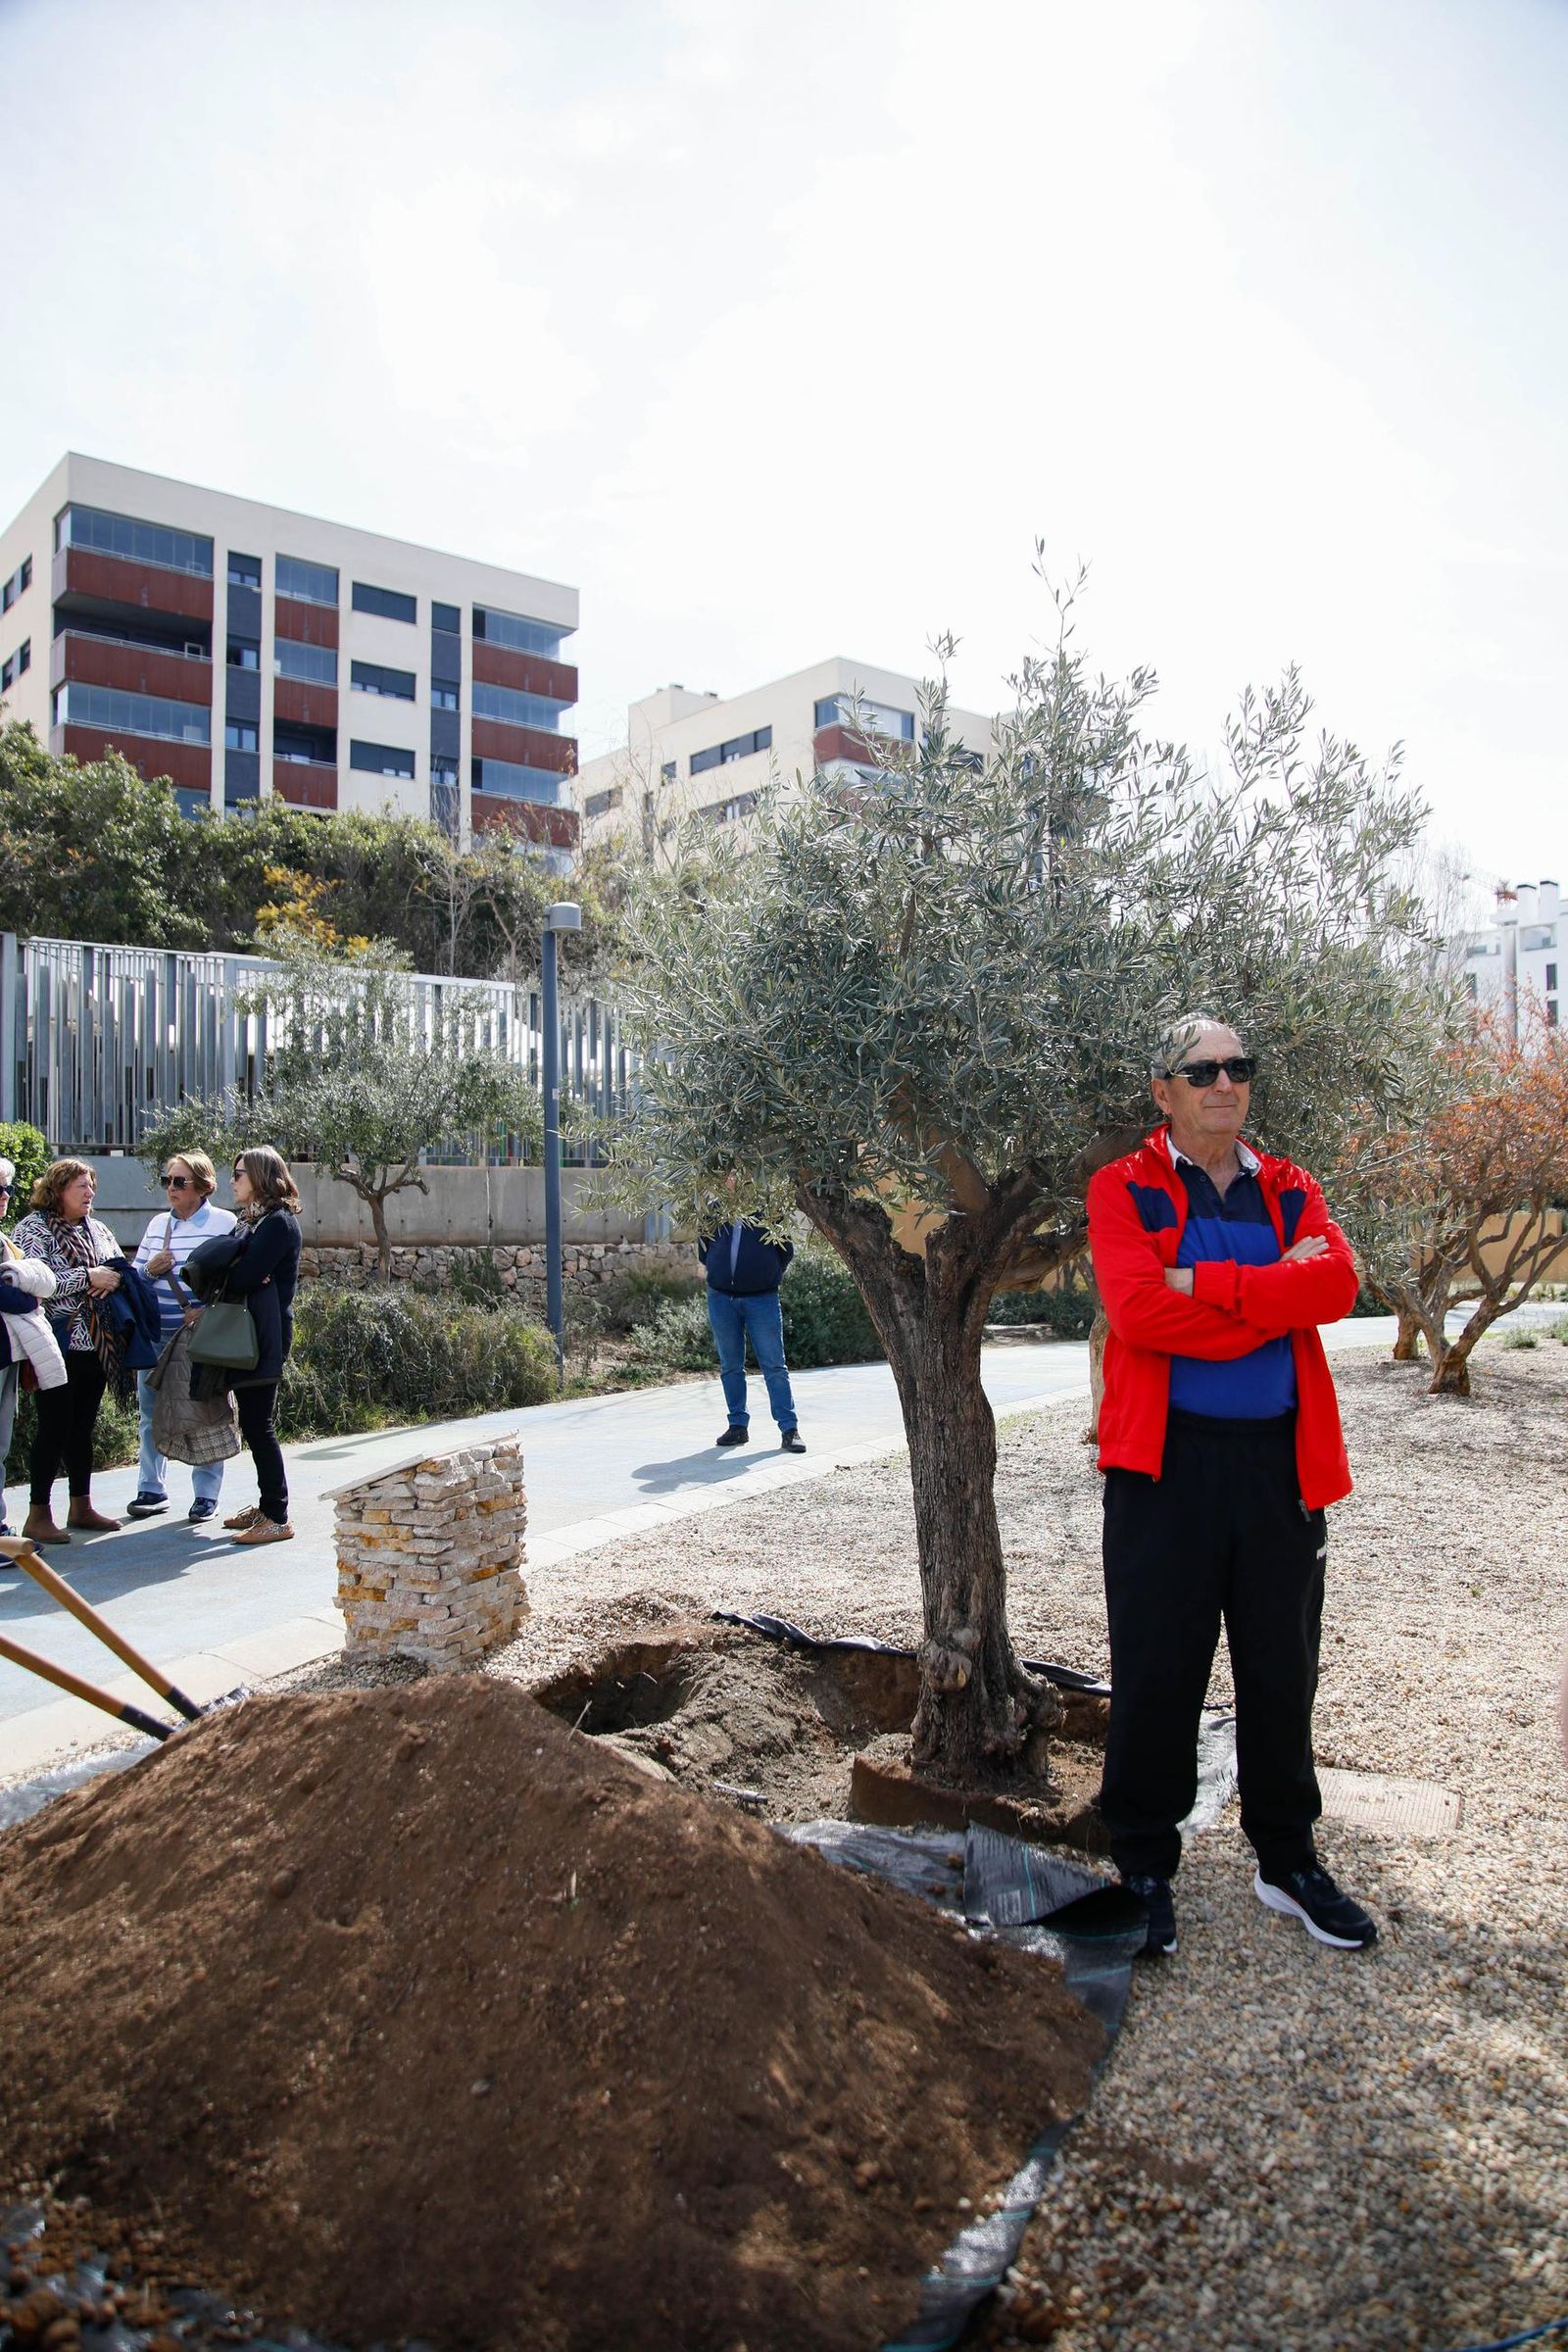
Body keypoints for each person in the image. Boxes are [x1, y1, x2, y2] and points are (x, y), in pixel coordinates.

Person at [1086, 1010, 1377, 1959]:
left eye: (1237, 1067)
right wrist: (1266, 1295)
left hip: (1278, 1467)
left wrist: (1202, 1283)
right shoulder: (1121, 1187)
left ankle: (1285, 1858)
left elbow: (1334, 1289)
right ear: (1161, 1091)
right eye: (1200, 1069)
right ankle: (1141, 1864)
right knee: (1158, 1669)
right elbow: (1136, 1313)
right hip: (1163, 1468)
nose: (1223, 1083)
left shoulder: (1290, 1187)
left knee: (1280, 1667)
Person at [13, 1160, 126, 1543]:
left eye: (91, 1186)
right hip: (53, 1343)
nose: (89, 1193)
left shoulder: (98, 1229)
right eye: (81, 1186)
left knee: (82, 1427)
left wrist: (112, 1279)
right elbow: (32, 1282)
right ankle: (38, 1514)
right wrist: (87, 1278)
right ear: (58, 1189)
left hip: (95, 1343)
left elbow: (118, 1268)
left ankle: (81, 1505)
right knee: (53, 1426)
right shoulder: (33, 1229)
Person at [125, 1152, 237, 1524]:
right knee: (150, 1410)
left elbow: (237, 1282)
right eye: (167, 1180)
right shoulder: (157, 1225)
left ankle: (205, 1494)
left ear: (203, 1186)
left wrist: (207, 1311)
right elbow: (136, 1278)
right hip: (157, 1336)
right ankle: (151, 1487)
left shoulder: (225, 1223)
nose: (170, 1188)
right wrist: (149, 1270)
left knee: (206, 1411)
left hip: (202, 1337)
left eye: (179, 1181)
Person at [198, 1147, 301, 1547]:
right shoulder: (252, 1221)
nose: (232, 1181)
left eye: (238, 1174)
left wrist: (238, 1270)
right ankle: (266, 1504)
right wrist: (238, 1270)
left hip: (263, 1335)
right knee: (253, 1422)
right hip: (249, 1331)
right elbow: (237, 1273)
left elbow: (242, 1277)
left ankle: (277, 1516)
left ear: (260, 1176)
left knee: (259, 1423)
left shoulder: (276, 1223)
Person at [699, 1213, 805, 1452]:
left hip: (762, 1299)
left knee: (774, 1366)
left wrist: (765, 1275)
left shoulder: (769, 1210)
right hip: (721, 1298)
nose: (733, 1176)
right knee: (730, 1365)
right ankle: (737, 1425)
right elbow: (703, 1251)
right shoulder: (713, 1211)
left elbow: (785, 1251)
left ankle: (789, 1429)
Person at [0, 1156, 66, 1540]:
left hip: (7, 1355)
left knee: (2, 1444)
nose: (5, 1196)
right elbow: (20, 1298)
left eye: (7, 1188)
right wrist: (23, 1297)